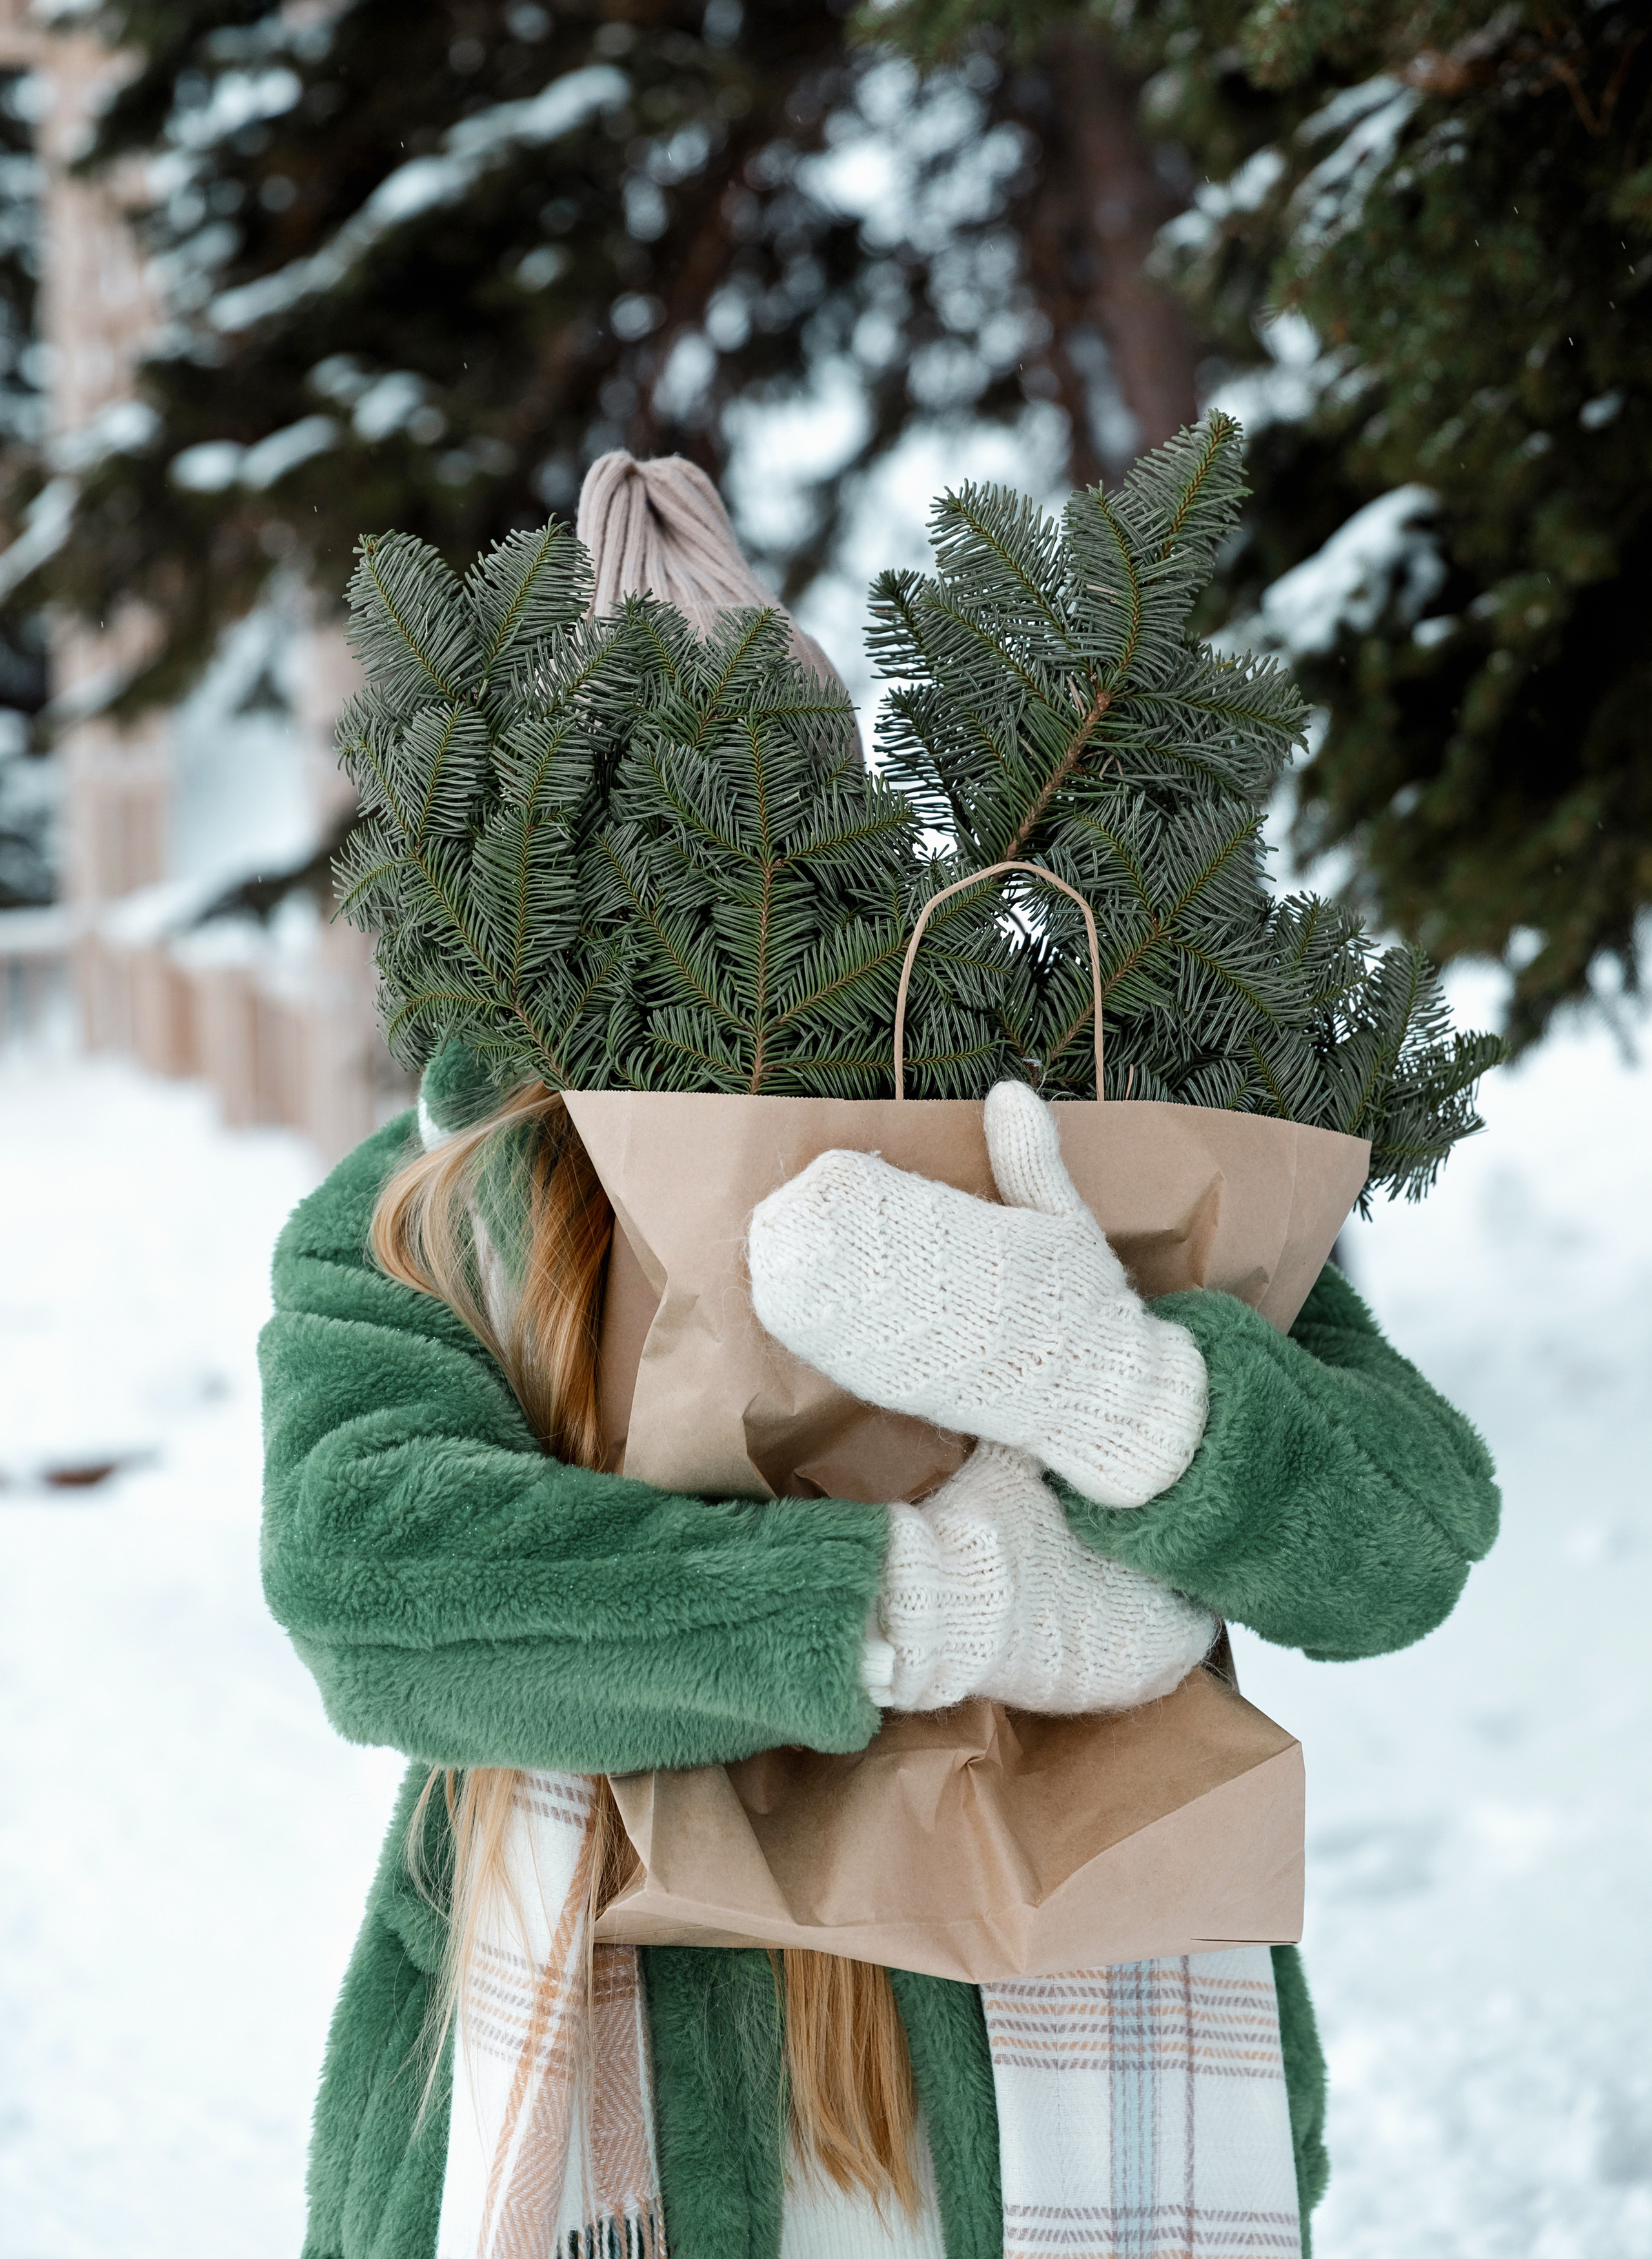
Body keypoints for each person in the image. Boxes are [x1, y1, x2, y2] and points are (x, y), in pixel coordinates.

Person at [257, 458, 1499, 2259]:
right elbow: (370, 1577)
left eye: (776, 831)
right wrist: (930, 1603)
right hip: (593, 2112)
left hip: (1055, 2115)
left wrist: (1120, 1391)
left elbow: (1407, 1543)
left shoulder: (1054, 1141)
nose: (719, 907)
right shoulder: (431, 1211)